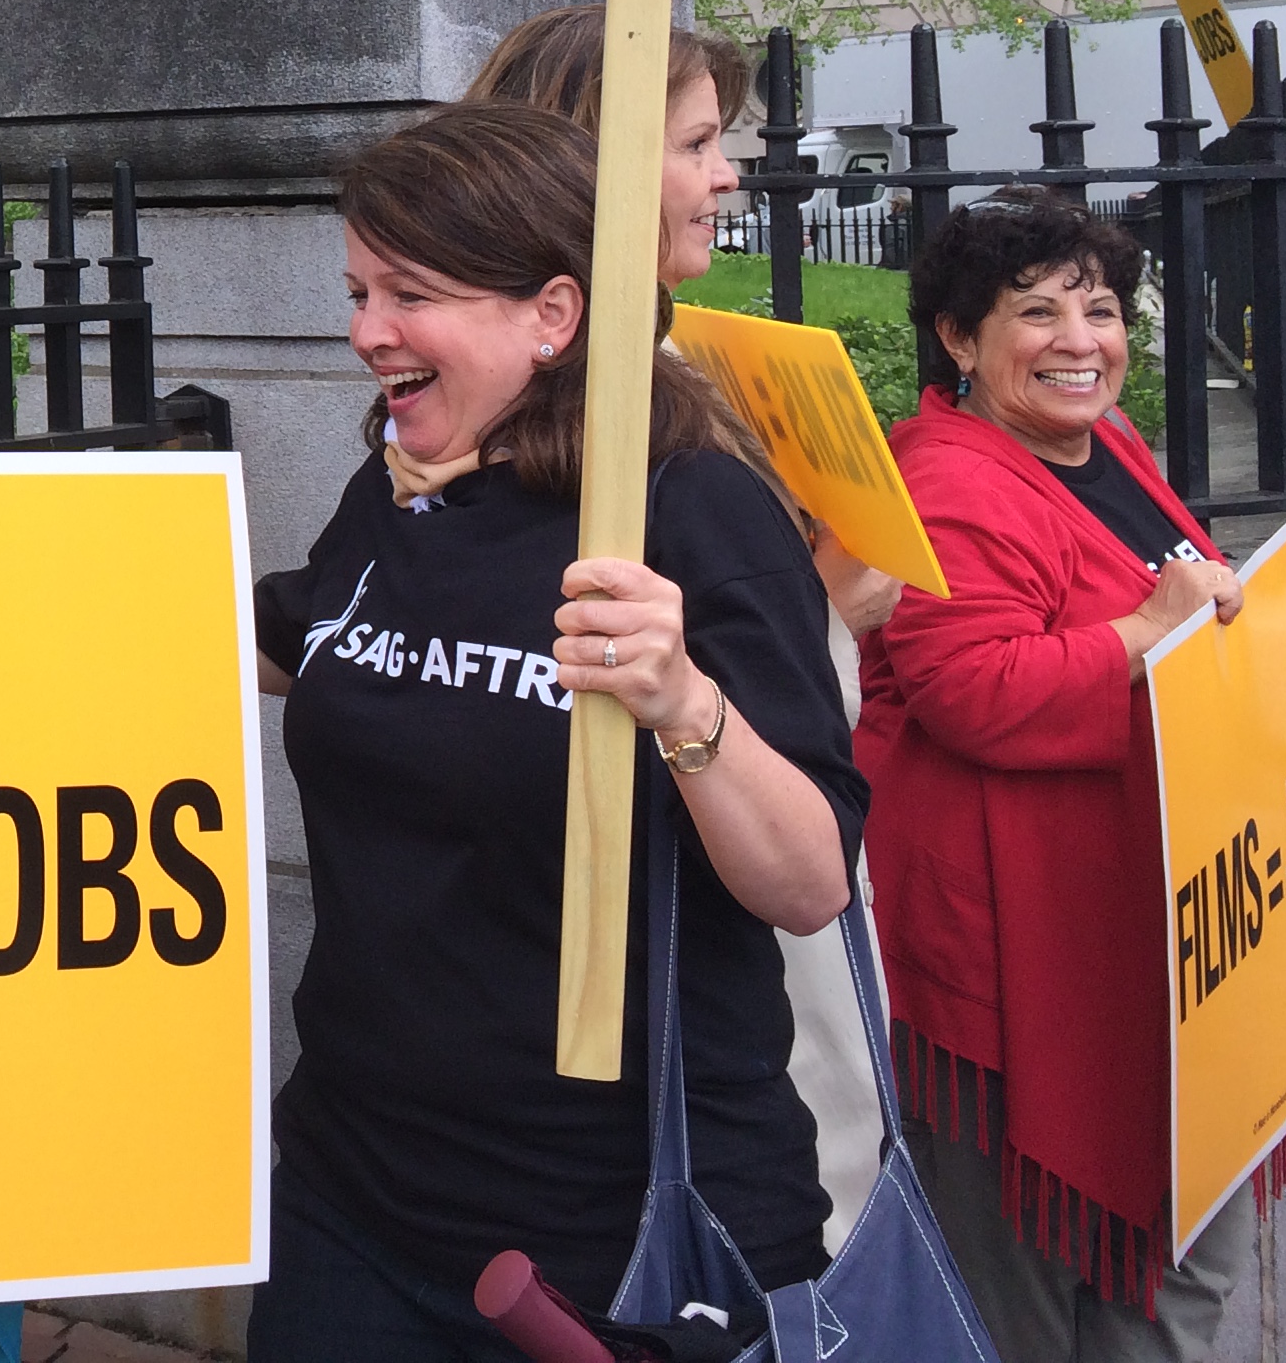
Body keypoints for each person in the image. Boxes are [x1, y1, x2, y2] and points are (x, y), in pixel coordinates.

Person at [245, 105, 863, 1360]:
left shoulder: (695, 512)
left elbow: (809, 883)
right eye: (359, 290)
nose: (367, 332)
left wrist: (684, 702)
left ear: (554, 315)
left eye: (408, 293)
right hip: (349, 1202)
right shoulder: (402, 488)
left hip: (618, 1240)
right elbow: (273, 641)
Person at [867, 193, 1263, 1360]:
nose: (1081, 340)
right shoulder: (949, 476)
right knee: (1024, 1303)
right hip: (1016, 967)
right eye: (1035, 312)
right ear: (958, 338)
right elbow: (972, 689)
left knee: (1170, 1275)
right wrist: (1148, 627)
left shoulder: (1113, 444)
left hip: (1136, 942)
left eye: (1100, 308)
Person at [464, 3, 900, 637]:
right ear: (589, 164)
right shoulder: (562, 398)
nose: (726, 176)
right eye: (697, 144)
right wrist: (823, 614)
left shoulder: (659, 355)